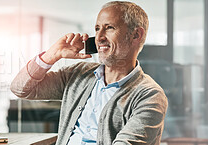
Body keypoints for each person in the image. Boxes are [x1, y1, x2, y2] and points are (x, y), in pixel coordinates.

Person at [10, 1, 168, 145]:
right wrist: (52, 55)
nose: (99, 37)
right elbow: (20, 88)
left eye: (109, 28)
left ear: (136, 35)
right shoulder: (78, 74)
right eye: (97, 28)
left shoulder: (150, 95)